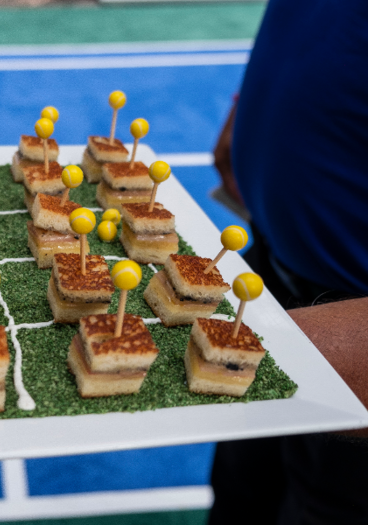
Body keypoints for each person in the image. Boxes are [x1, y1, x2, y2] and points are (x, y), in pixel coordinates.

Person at [209, 0, 368, 523]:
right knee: (239, 490)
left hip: (346, 343)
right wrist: (251, 103)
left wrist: (218, 350)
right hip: (270, 276)